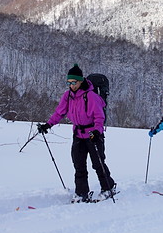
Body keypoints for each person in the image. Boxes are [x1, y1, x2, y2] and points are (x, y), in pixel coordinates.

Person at [37, 64, 116, 203]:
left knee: (98, 163)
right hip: (78, 133)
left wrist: (97, 132)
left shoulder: (91, 96)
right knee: (79, 165)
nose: (71, 85)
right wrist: (48, 125)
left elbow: (99, 117)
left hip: (92, 133)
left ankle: (108, 188)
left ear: (80, 81)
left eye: (74, 82)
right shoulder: (68, 96)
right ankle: (81, 193)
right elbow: (59, 112)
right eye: (69, 82)